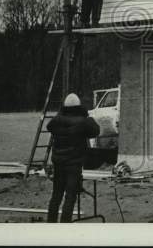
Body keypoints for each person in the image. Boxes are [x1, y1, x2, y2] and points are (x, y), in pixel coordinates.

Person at [46, 93, 100, 222]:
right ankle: (65, 225)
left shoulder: (57, 120)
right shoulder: (83, 121)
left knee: (56, 195)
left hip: (58, 163)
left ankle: (50, 224)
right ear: (78, 106)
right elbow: (95, 131)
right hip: (74, 164)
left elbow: (49, 126)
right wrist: (88, 116)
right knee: (70, 196)